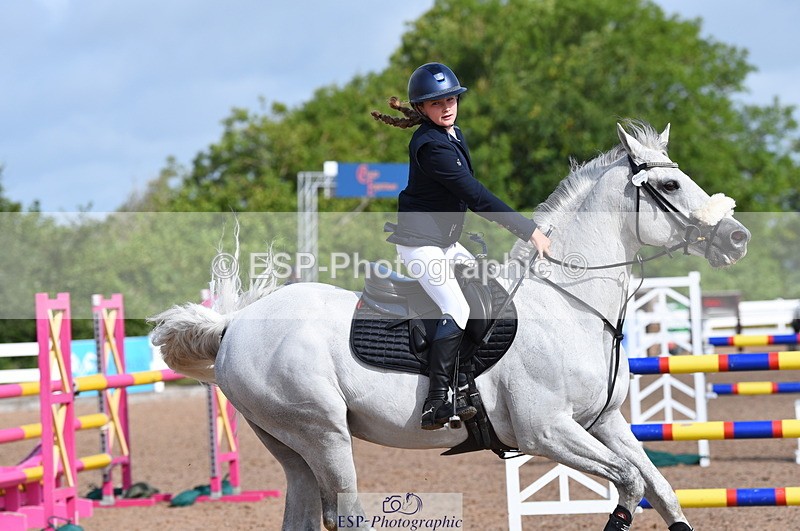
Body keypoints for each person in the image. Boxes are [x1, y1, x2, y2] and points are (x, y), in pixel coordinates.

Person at [372, 62, 552, 430]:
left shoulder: (452, 134)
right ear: (422, 108)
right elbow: (475, 196)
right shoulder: (430, 146)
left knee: (490, 295)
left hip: (446, 243)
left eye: (451, 99)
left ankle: (465, 376)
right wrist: (528, 230)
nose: (447, 107)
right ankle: (437, 399)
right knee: (456, 307)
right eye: (437, 103)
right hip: (420, 246)